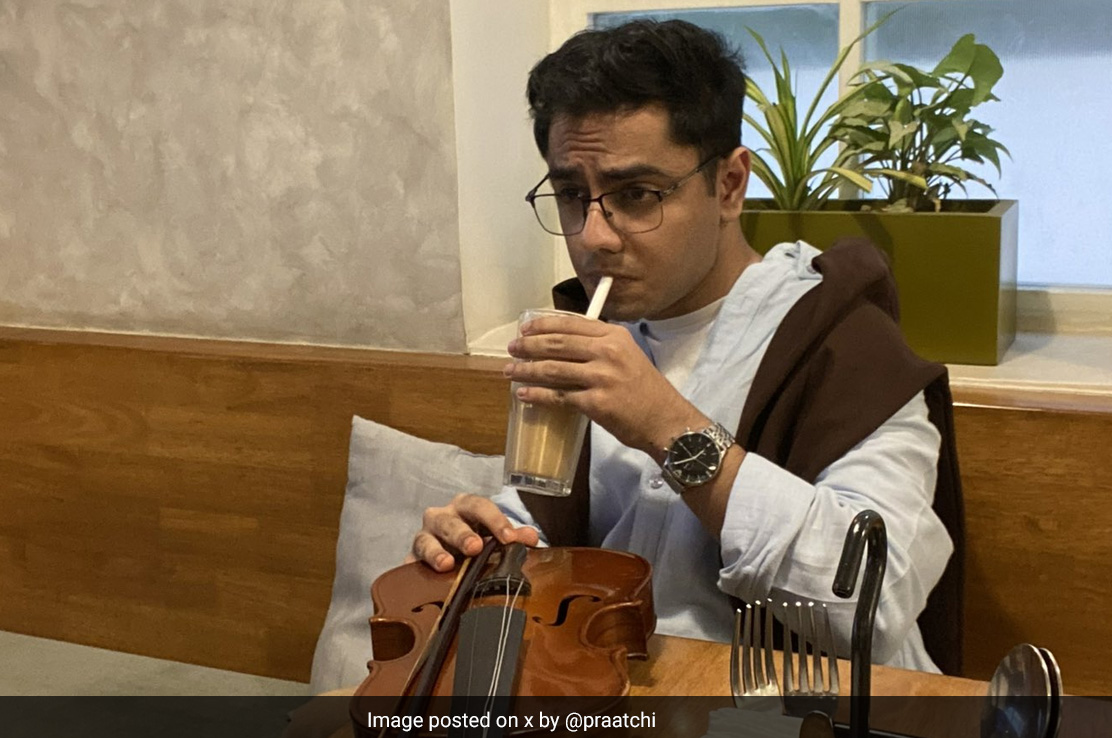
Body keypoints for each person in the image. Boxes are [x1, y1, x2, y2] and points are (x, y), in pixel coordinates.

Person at [408, 19, 962, 674]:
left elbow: (875, 601)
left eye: (637, 195)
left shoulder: (844, 343)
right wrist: (484, 533)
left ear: (729, 185)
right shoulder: (591, 333)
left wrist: (669, 428)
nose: (592, 237)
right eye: (571, 194)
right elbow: (551, 522)